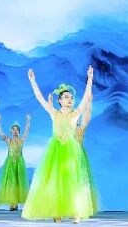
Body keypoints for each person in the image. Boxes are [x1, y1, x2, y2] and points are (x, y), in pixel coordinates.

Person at [22, 66, 95, 222]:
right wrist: (33, 80)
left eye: (71, 97)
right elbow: (40, 98)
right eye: (66, 97)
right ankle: (57, 210)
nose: (70, 99)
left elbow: (86, 97)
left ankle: (76, 212)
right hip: (55, 150)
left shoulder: (76, 113)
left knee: (73, 180)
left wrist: (90, 79)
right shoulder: (54, 113)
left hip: (71, 150)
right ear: (60, 101)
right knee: (56, 180)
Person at [0, 114, 31, 211]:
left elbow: (26, 131)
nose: (15, 131)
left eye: (17, 129)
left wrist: (28, 121)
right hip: (10, 163)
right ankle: (13, 203)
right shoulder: (9, 140)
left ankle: (16, 202)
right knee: (11, 182)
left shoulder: (21, 140)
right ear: (11, 131)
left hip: (19, 164)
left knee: (18, 182)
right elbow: (0, 133)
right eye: (13, 129)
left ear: (19, 132)